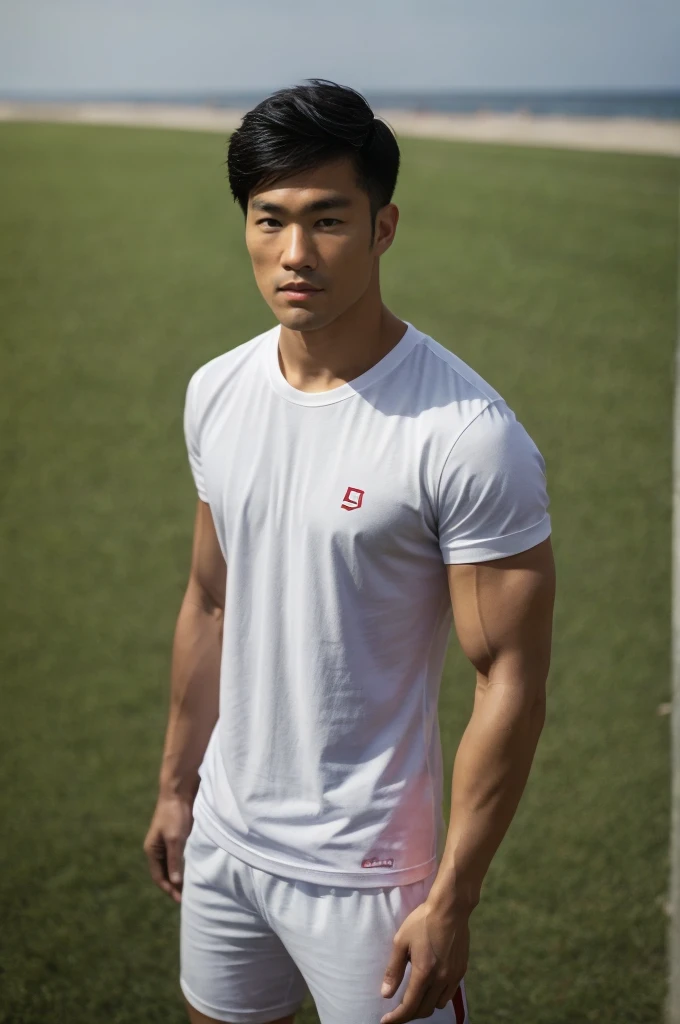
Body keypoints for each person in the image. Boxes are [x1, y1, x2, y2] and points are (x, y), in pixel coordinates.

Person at [143, 78, 556, 1024]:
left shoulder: (465, 435)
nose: (294, 254)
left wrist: (453, 897)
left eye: (328, 220)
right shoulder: (217, 391)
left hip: (371, 881)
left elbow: (511, 682)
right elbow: (211, 599)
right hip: (226, 845)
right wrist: (178, 791)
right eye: (269, 219)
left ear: (384, 227)